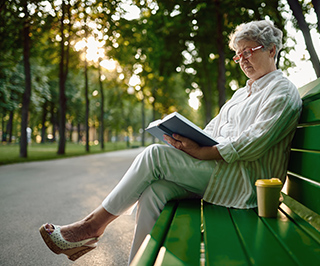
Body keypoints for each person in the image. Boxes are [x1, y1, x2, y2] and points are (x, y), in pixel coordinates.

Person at [39, 20, 302, 264]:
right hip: (220, 174)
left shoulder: (282, 91)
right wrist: (189, 139)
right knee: (156, 192)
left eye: (249, 51)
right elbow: (213, 129)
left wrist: (201, 152)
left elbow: (254, 142)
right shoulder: (242, 93)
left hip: (245, 183)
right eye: (238, 54)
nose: (242, 59)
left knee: (155, 156)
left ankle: (91, 226)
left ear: (271, 50)